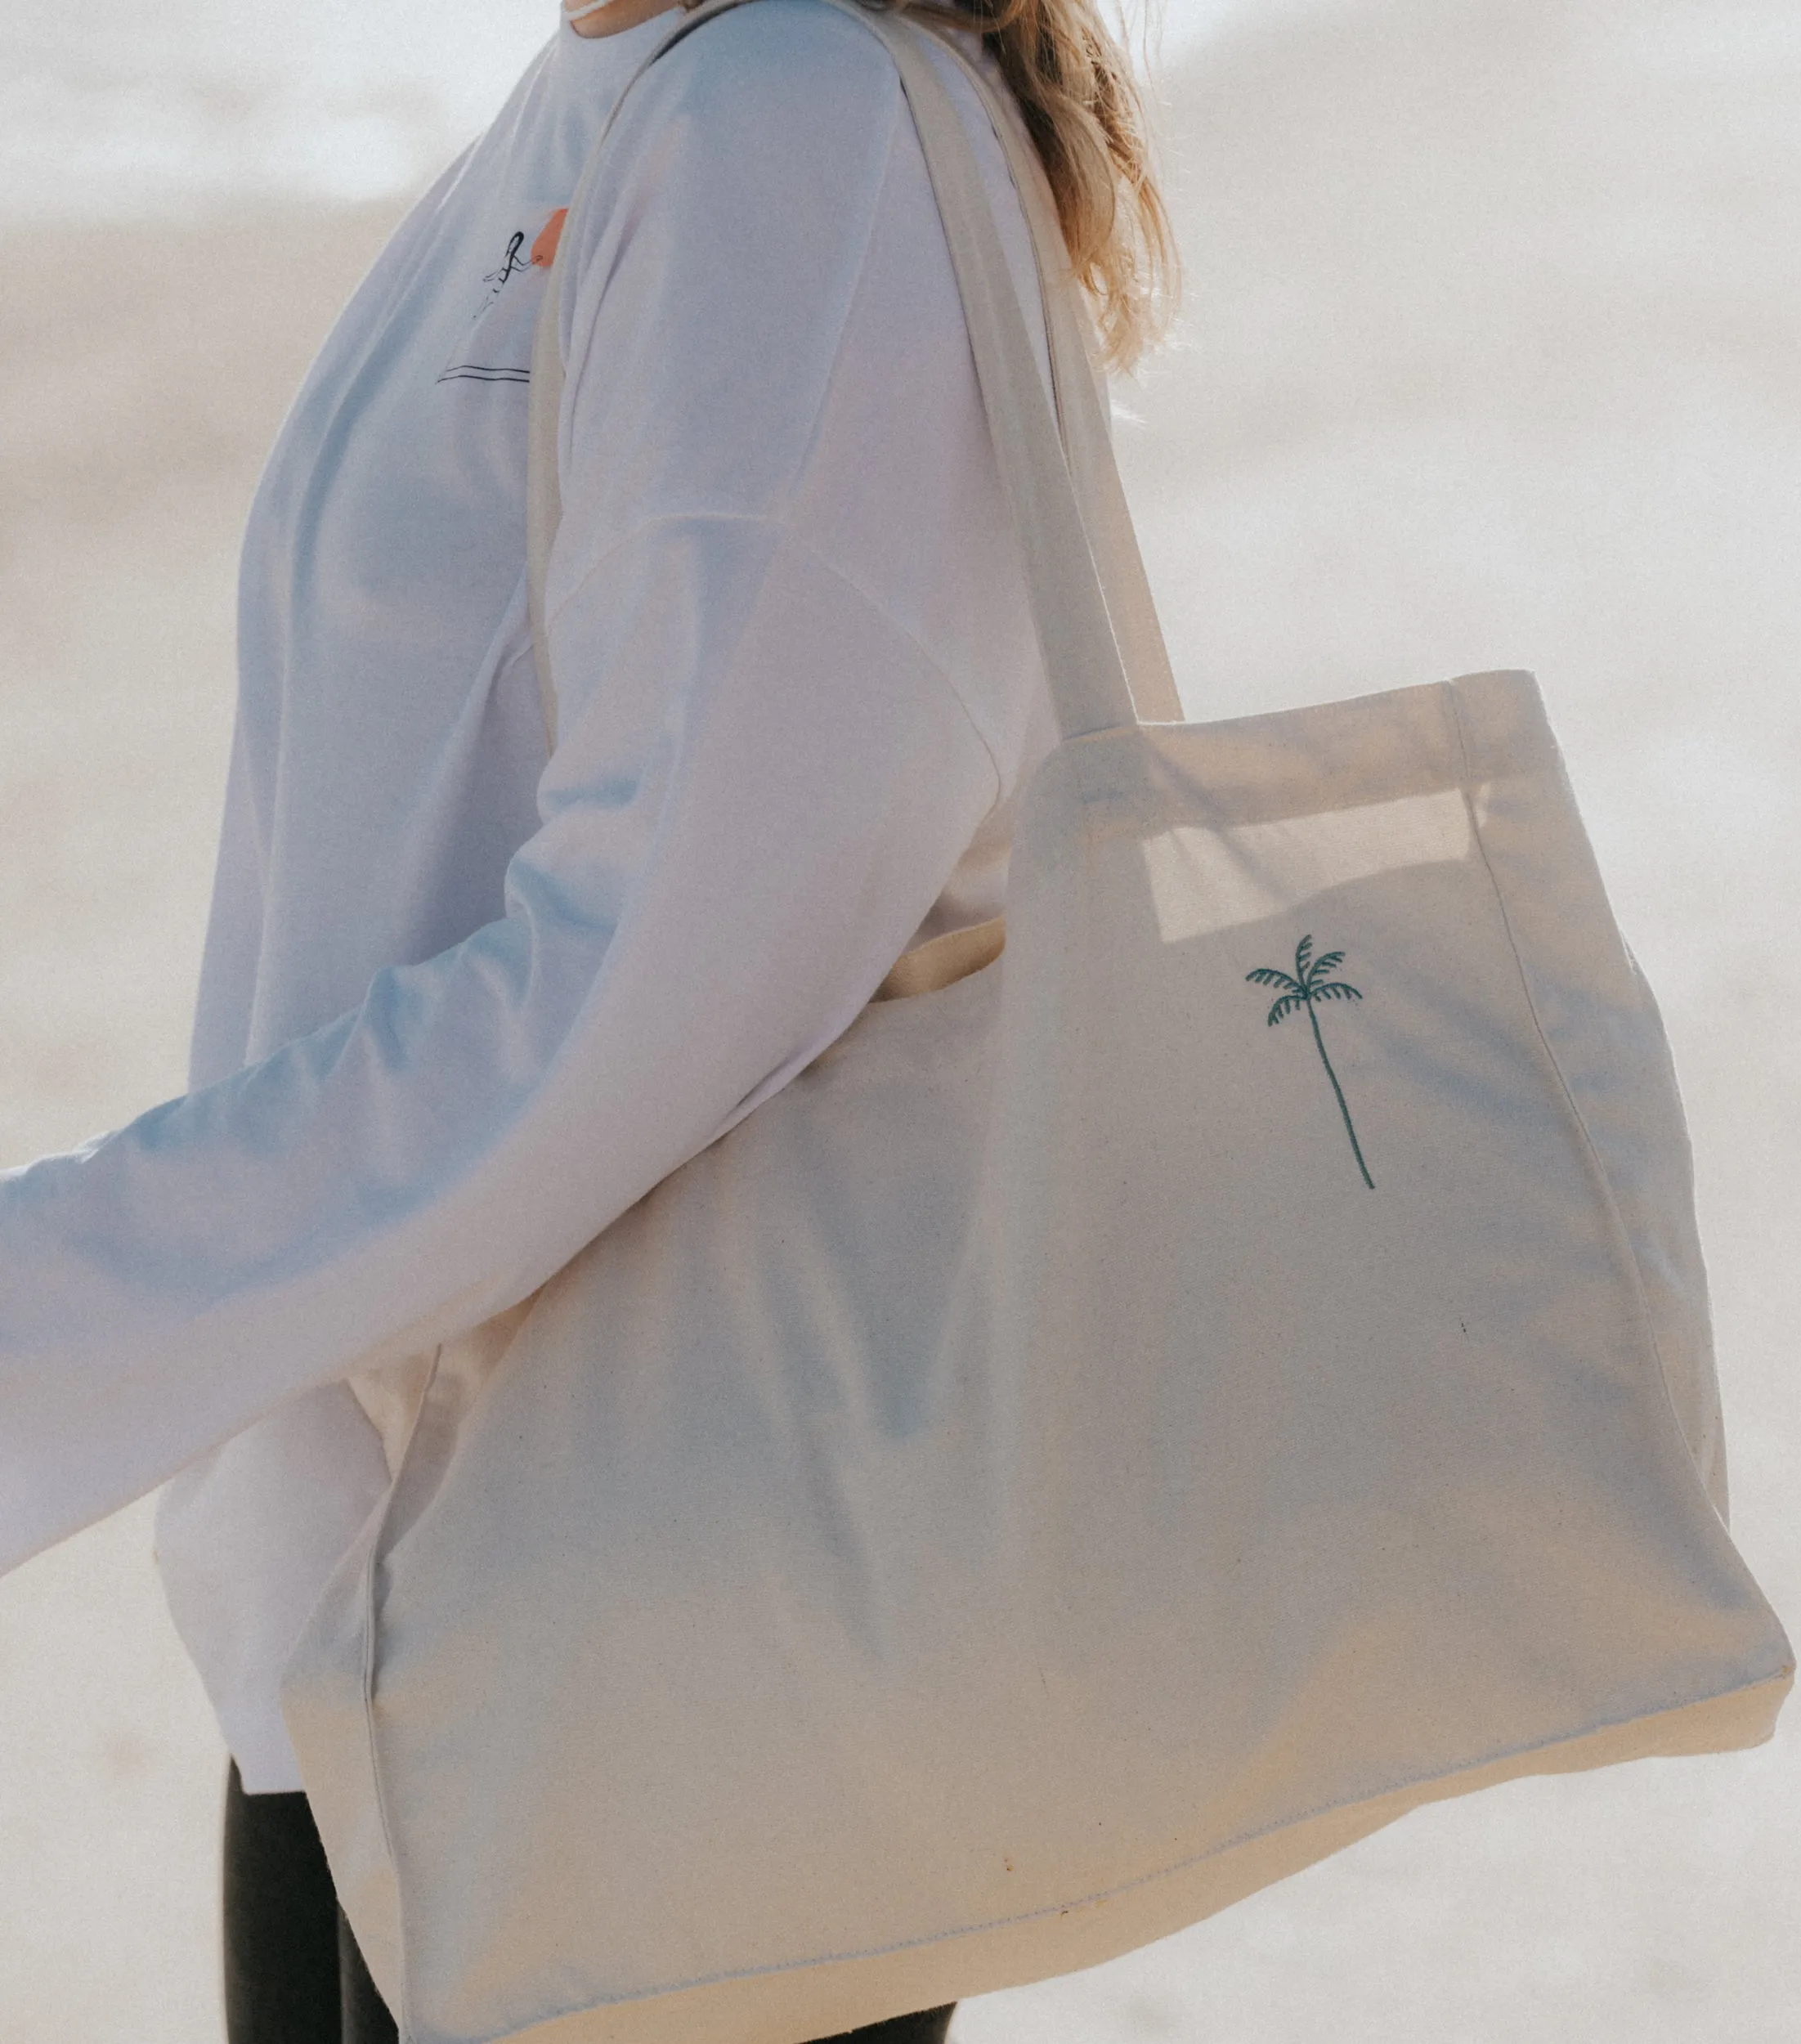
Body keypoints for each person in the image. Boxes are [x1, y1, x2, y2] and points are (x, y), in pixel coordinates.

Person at [0, 0, 1172, 2034]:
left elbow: (637, 993)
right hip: (397, 1595)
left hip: (662, 1640)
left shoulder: (787, 127)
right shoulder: (602, 96)